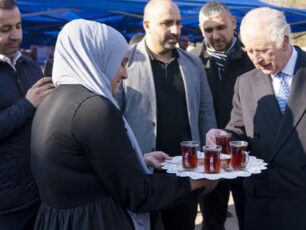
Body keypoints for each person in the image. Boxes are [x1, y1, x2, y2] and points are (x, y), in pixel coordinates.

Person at [30, 19, 214, 230]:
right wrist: (194, 180)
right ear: (99, 59)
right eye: (121, 63)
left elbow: (81, 167)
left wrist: (137, 160)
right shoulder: (94, 109)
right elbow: (137, 194)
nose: (125, 73)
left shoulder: (53, 100)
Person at [206, 7, 306, 230]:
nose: (257, 60)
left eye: (263, 50)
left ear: (284, 40)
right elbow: (239, 130)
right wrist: (224, 136)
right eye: (250, 51)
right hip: (264, 207)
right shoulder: (244, 83)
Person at [117, 1, 216, 229]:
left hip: (186, 176)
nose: (175, 30)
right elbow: (114, 118)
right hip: (143, 174)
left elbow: (205, 113)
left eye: (178, 23)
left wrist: (210, 166)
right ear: (147, 25)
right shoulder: (125, 62)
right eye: (167, 23)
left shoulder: (193, 63)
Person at [190, 2, 254, 230]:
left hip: (248, 154)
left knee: (252, 218)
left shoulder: (253, 58)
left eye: (220, 27)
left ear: (233, 23)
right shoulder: (192, 63)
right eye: (208, 30)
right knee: (212, 221)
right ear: (200, 29)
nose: (215, 35)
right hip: (210, 158)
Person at [0, 0, 54, 229]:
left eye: (18, 26)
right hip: (6, 205)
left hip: (40, 193)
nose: (16, 35)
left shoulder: (30, 66)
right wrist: (28, 104)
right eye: (5, 29)